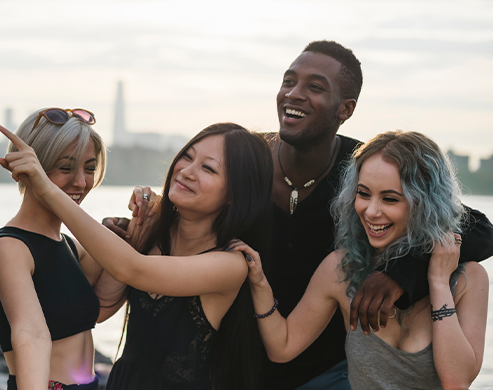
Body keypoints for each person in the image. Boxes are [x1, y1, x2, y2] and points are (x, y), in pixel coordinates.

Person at [110, 40, 493, 389]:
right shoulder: (247, 161)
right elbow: (194, 203)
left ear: (346, 109)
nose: (294, 94)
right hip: (234, 358)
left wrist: (401, 273)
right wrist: (140, 221)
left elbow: (476, 228)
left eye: (315, 86)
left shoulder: (361, 166)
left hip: (327, 373)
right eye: (289, 81)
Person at [0, 122, 273, 389]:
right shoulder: (152, 229)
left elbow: (132, 270)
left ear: (234, 194)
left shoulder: (231, 264)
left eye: (208, 168)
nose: (187, 171)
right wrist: (18, 253)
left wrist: (46, 188)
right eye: (187, 157)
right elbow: (101, 309)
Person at [239, 130, 489, 389]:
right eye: (364, 193)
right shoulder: (343, 269)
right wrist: (258, 282)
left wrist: (438, 282)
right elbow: (283, 346)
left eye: (390, 199)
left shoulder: (468, 279)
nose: (371, 211)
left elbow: (457, 382)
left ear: (426, 203)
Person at [0, 108, 108, 390]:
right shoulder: (12, 248)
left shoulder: (71, 247)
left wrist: (141, 222)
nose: (81, 182)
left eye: (89, 168)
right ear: (29, 170)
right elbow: (31, 336)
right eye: (66, 167)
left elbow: (122, 280)